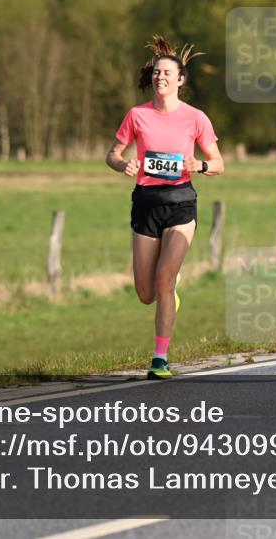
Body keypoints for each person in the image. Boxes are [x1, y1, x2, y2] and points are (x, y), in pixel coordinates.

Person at [106, 36, 224, 380]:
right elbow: (112, 153)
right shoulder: (136, 115)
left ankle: (160, 358)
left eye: (167, 73)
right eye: (157, 72)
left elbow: (219, 163)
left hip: (180, 202)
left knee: (163, 280)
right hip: (145, 204)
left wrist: (198, 166)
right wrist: (121, 164)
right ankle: (168, 290)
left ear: (180, 80)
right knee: (146, 293)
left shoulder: (195, 118)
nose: (160, 77)